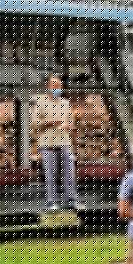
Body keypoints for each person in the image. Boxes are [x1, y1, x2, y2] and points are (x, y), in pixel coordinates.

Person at [30, 76, 79, 213]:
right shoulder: (40, 102)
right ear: (48, 87)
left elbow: (71, 123)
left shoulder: (66, 103)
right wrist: (50, 122)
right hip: (48, 144)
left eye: (59, 86)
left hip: (65, 142)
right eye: (54, 86)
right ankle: (52, 202)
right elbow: (34, 123)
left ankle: (72, 200)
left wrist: (69, 126)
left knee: (69, 173)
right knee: (50, 174)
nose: (57, 89)